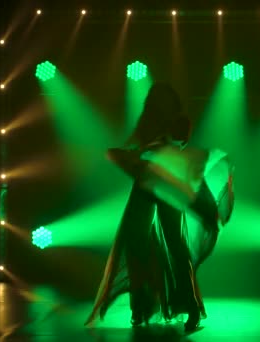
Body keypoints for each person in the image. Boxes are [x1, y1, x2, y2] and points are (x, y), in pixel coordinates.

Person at [84, 83, 218, 332]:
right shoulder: (146, 124)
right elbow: (133, 148)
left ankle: (187, 307)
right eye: (156, 100)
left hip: (168, 186)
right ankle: (142, 306)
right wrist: (137, 153)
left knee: (174, 245)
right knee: (137, 241)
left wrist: (157, 150)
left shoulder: (179, 121)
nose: (157, 103)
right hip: (147, 184)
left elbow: (180, 148)